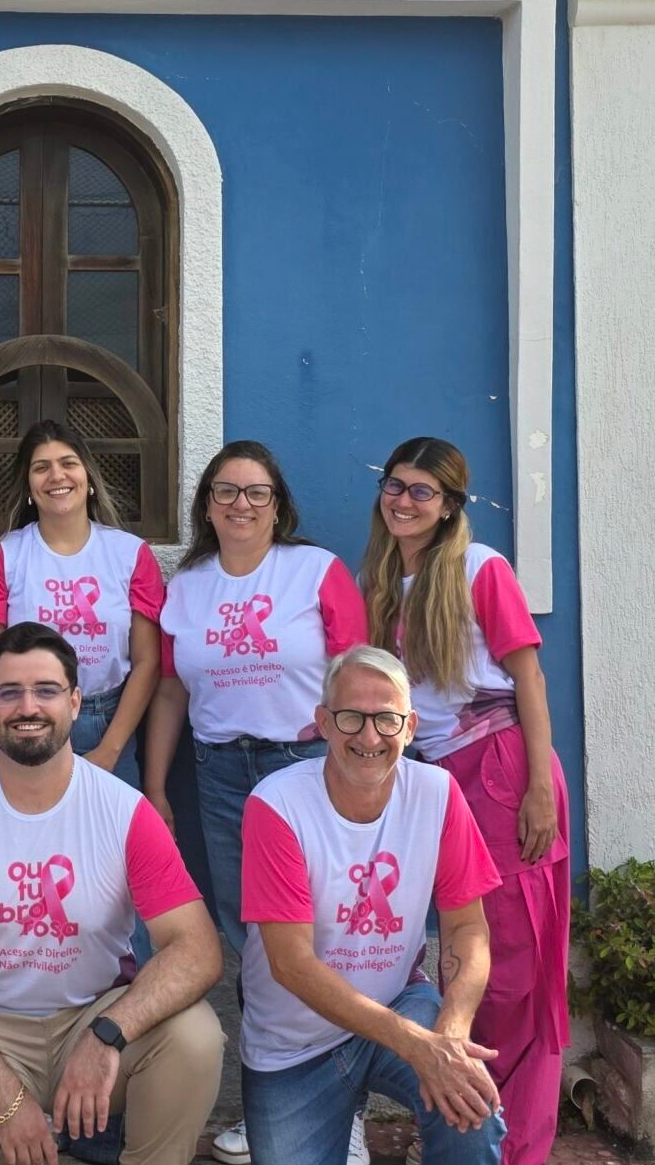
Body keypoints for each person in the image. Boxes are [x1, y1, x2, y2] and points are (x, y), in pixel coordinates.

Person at [0, 622, 225, 1165]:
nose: (28, 707)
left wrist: (106, 1035)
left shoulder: (124, 811)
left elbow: (198, 950)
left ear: (74, 701)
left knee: (195, 1038)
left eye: (45, 690)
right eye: (10, 692)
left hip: (92, 1014)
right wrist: (6, 1095)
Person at [143, 442, 367, 1165]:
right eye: (226, 491)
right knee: (255, 945)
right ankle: (276, 1103)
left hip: (305, 767)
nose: (241, 504)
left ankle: (344, 1112)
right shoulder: (189, 586)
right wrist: (156, 786)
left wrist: (355, 763)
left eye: (256, 492)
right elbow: (170, 691)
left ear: (278, 506)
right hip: (221, 775)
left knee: (322, 934)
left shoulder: (316, 570)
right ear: (207, 505)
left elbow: (357, 674)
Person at [362, 437, 569, 1165]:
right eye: (395, 485)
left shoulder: (480, 568)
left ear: (449, 506)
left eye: (422, 491)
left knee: (511, 967)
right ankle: (474, 1131)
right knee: (463, 958)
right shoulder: (387, 578)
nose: (404, 500)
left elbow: (528, 676)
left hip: (502, 767)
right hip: (441, 776)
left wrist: (538, 787)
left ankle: (512, 1146)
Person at [238, 645, 506, 1165]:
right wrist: (417, 1045)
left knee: (472, 1111)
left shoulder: (437, 793)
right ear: (323, 723)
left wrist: (450, 1036)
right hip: (294, 1043)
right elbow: (290, 965)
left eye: (386, 719)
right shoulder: (277, 805)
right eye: (351, 718)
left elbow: (468, 929)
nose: (368, 737)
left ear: (410, 727)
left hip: (399, 1001)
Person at [0, 420, 165, 790]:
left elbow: (147, 661)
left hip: (109, 723)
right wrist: (19, 721)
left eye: (68, 463)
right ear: (29, 486)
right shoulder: (3, 555)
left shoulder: (130, 554)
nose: (56, 475)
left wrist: (110, 749)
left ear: (88, 477)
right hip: (27, 720)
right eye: (41, 467)